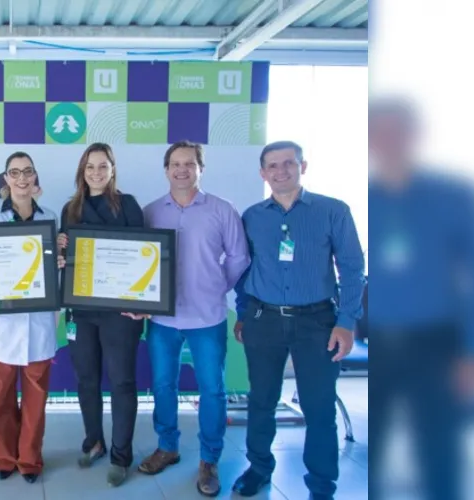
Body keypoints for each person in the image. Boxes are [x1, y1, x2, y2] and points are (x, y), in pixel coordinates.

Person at [367, 97, 474, 500]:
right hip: (377, 344)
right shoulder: (366, 197)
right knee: (370, 457)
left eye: (399, 131)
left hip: (437, 345)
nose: (389, 141)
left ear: (416, 136)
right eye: (381, 132)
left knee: (439, 455)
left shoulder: (456, 195)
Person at [231, 141, 365, 500]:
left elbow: (353, 268)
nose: (281, 171)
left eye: (288, 163)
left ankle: (322, 485)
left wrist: (346, 321)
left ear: (302, 166)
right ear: (263, 173)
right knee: (261, 399)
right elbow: (244, 269)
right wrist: (244, 312)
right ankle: (258, 468)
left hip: (318, 323)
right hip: (264, 320)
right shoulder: (253, 216)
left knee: (318, 406)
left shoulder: (332, 210)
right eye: (272, 166)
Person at [139, 141, 250, 496]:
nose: (182, 169)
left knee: (212, 391)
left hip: (207, 317)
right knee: (162, 386)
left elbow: (238, 260)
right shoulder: (151, 212)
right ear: (166, 169)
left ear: (201, 168)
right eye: (175, 164)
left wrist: (214, 287)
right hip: (162, 320)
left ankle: (209, 459)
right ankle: (167, 446)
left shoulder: (223, 210)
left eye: (189, 163)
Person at [55, 143, 146, 487]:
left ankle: (121, 455)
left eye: (103, 166)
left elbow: (143, 256)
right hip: (81, 310)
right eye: (90, 166)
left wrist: (142, 303)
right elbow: (67, 259)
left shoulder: (128, 205)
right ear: (82, 170)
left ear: (112, 170)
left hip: (120, 311)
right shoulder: (70, 209)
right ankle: (94, 441)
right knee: (86, 380)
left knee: (122, 381)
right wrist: (61, 257)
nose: (96, 172)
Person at [0, 151, 62, 484]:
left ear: (35, 177)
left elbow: (54, 268)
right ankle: (4, 457)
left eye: (27, 172)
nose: (22, 178)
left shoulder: (50, 216)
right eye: (15, 172)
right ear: (6, 178)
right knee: (1, 400)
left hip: (39, 323)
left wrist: (60, 260)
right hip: (2, 324)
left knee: (36, 401)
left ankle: (30, 460)